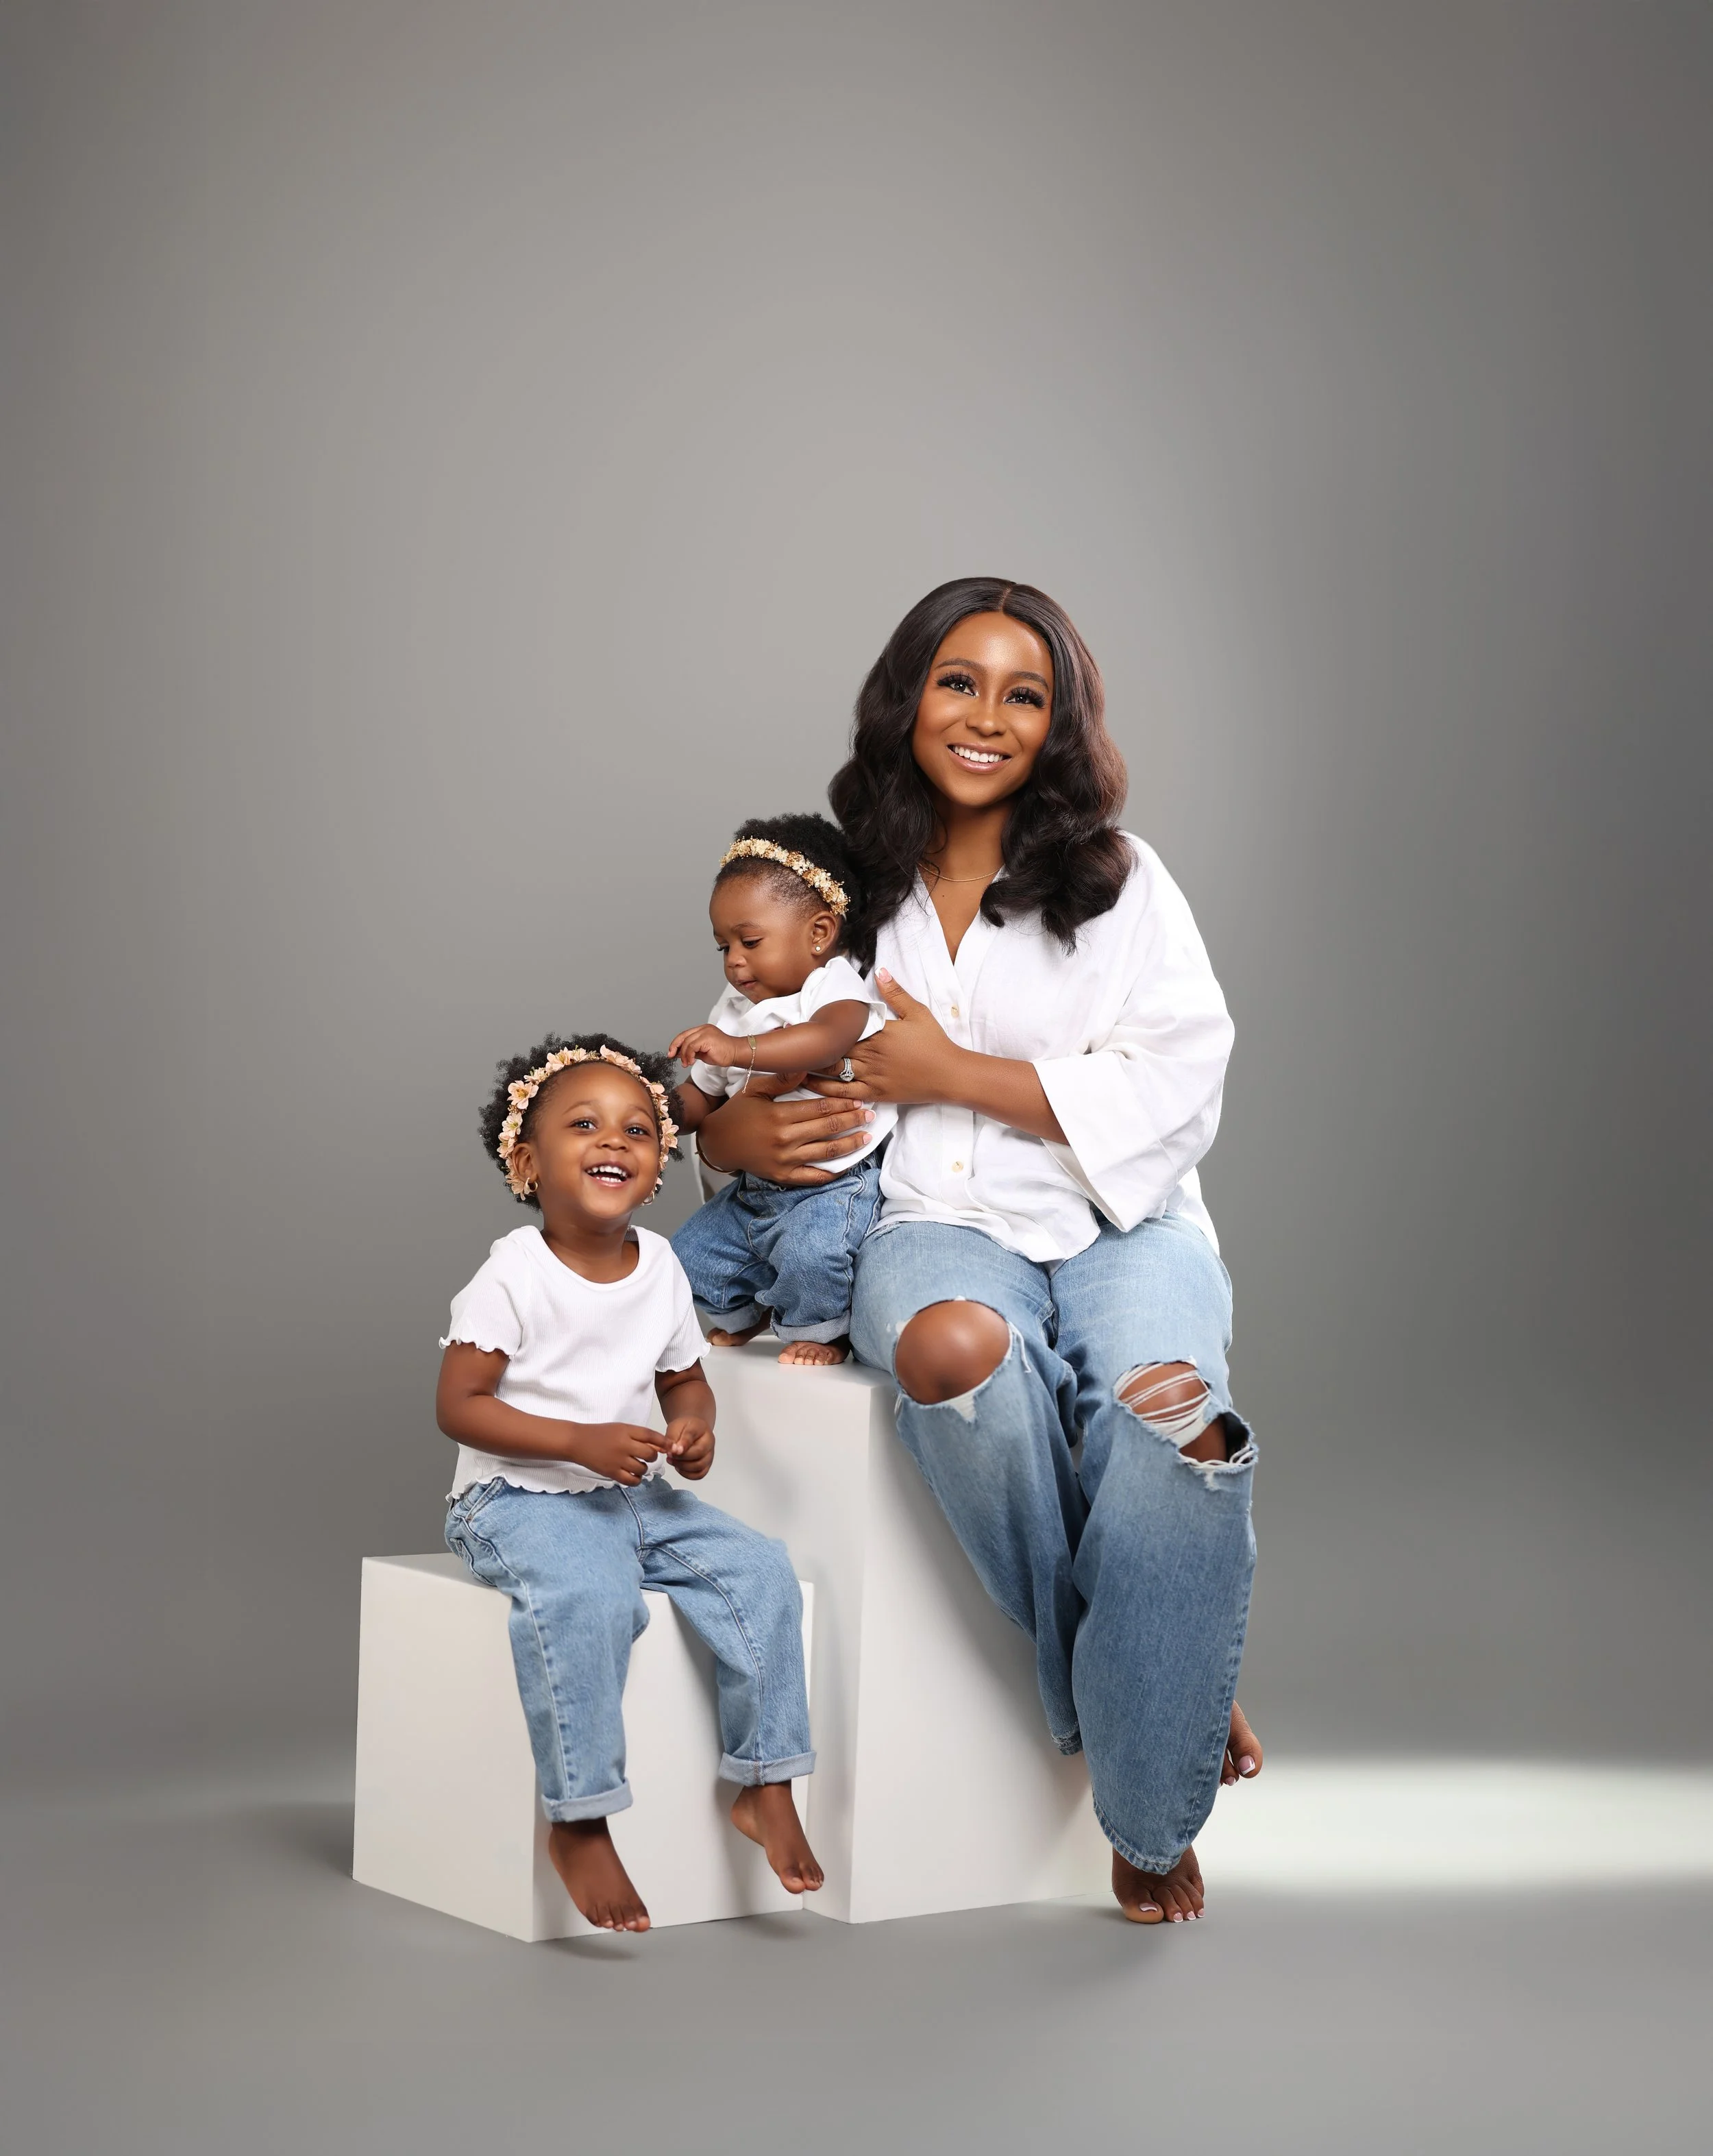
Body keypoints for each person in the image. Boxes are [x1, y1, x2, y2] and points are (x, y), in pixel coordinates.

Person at [695, 579, 1263, 1926]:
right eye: (958, 682)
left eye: (1023, 692)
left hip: (1126, 1222)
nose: (985, 716)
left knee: (1171, 1424)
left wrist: (958, 1068)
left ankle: (1146, 1810)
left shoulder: (1118, 878)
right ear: (909, 695)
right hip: (930, 1226)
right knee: (951, 1353)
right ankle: (1156, 1660)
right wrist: (733, 1149)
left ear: (1055, 721)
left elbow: (1184, 1076)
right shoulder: (842, 883)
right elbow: (732, 1045)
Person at [435, 1031, 822, 1933]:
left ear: (658, 1167)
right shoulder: (511, 1274)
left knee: (761, 1568)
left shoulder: (661, 1267)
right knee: (591, 1593)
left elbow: (685, 1377)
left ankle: (766, 1780)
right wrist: (574, 1440)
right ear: (528, 1162)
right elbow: (460, 1404)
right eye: (583, 1124)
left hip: (633, 1492)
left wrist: (695, 1430)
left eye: (639, 1128)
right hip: (515, 1498)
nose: (614, 1139)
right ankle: (580, 1816)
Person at [669, 813, 894, 1367]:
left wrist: (740, 1050)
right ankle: (748, 1317)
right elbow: (703, 1097)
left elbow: (823, 1041)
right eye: (722, 946)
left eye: (749, 941)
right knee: (687, 1257)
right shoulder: (734, 1010)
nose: (734, 961)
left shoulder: (833, 987)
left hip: (835, 1181)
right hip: (754, 1184)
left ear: (819, 934)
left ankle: (824, 1335)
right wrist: (653, 1113)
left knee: (812, 1253)